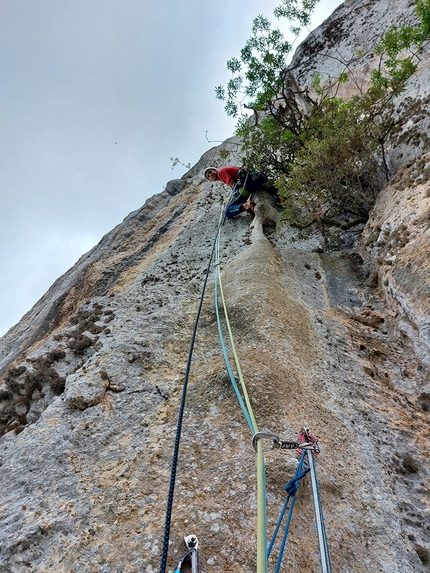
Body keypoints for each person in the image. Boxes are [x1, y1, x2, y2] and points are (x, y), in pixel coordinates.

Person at [204, 166, 277, 219]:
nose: (211, 175)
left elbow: (234, 187)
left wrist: (234, 200)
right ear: (211, 180)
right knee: (275, 190)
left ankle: (247, 205)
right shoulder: (227, 170)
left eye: (210, 172)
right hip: (258, 177)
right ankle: (280, 196)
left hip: (247, 182)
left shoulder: (221, 173)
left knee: (228, 212)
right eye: (209, 176)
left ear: (215, 170)